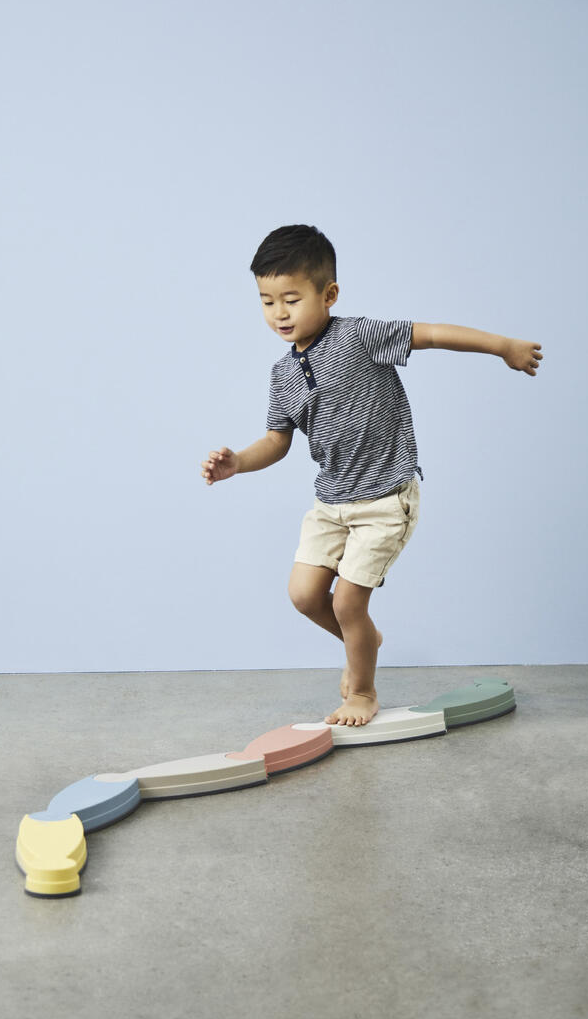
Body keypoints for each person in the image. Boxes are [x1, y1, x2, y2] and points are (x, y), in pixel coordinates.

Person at [201, 225, 543, 728]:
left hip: (385, 499)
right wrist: (238, 463)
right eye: (267, 302)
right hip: (331, 503)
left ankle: (362, 692)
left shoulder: (359, 337)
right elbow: (276, 440)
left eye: (292, 299)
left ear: (329, 295)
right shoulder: (282, 374)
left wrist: (503, 346)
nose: (279, 313)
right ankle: (365, 640)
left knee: (347, 602)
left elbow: (431, 335)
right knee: (304, 596)